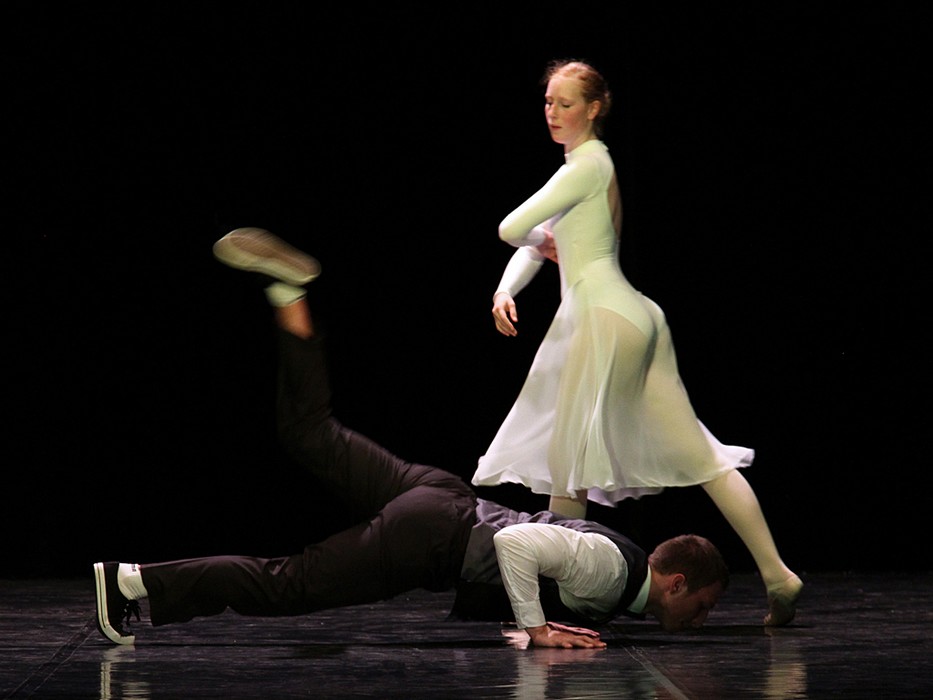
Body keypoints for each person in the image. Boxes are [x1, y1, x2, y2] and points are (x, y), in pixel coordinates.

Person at [93, 228, 729, 650]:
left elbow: (543, 542)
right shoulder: (614, 573)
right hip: (431, 537)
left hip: (439, 497)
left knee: (308, 430)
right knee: (286, 583)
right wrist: (536, 630)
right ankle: (131, 582)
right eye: (700, 606)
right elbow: (516, 543)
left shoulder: (616, 570)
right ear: (675, 583)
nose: (698, 621)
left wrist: (529, 620)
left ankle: (288, 293)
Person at [471, 59, 802, 625]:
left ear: (594, 107)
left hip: (601, 318)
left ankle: (555, 601)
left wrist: (537, 242)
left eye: (566, 104)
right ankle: (778, 576)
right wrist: (507, 287)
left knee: (569, 467)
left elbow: (511, 228)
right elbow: (537, 243)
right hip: (635, 314)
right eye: (548, 102)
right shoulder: (587, 170)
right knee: (700, 457)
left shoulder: (587, 164)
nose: (553, 113)